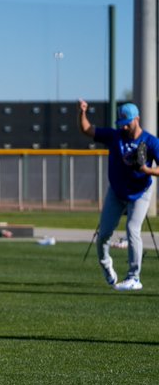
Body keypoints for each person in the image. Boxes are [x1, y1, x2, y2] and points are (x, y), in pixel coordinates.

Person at [78, 101, 159, 291]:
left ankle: (134, 277)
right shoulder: (115, 136)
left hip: (140, 192)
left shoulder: (151, 141)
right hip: (116, 192)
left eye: (128, 122)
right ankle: (106, 265)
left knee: (132, 229)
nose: (124, 126)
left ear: (137, 119)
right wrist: (81, 112)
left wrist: (147, 169)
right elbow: (87, 129)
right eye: (121, 122)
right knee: (104, 234)